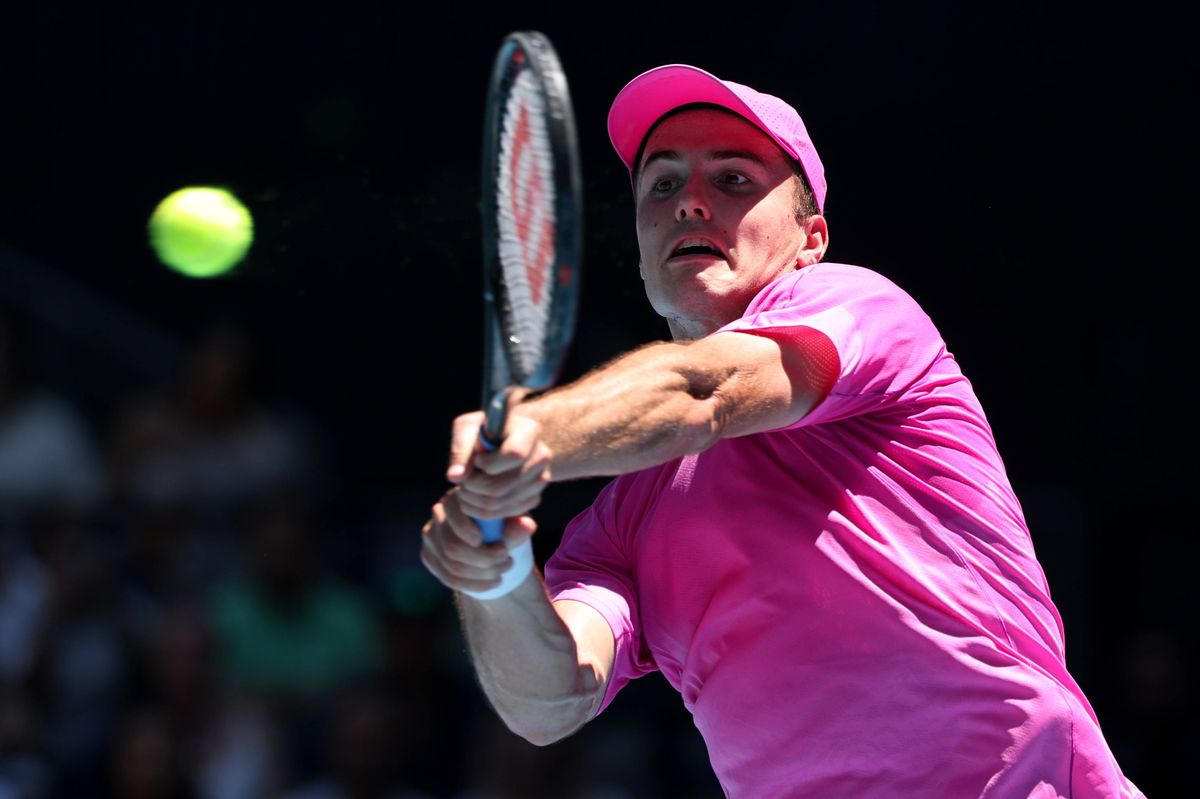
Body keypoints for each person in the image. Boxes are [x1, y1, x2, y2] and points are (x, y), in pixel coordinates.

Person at [419, 64, 1144, 798]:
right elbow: (547, 701)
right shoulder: (623, 524)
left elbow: (704, 392)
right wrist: (495, 573)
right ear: (640, 249)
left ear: (810, 238)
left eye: (732, 179)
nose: (689, 201)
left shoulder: (861, 308)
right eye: (662, 185)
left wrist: (532, 433)